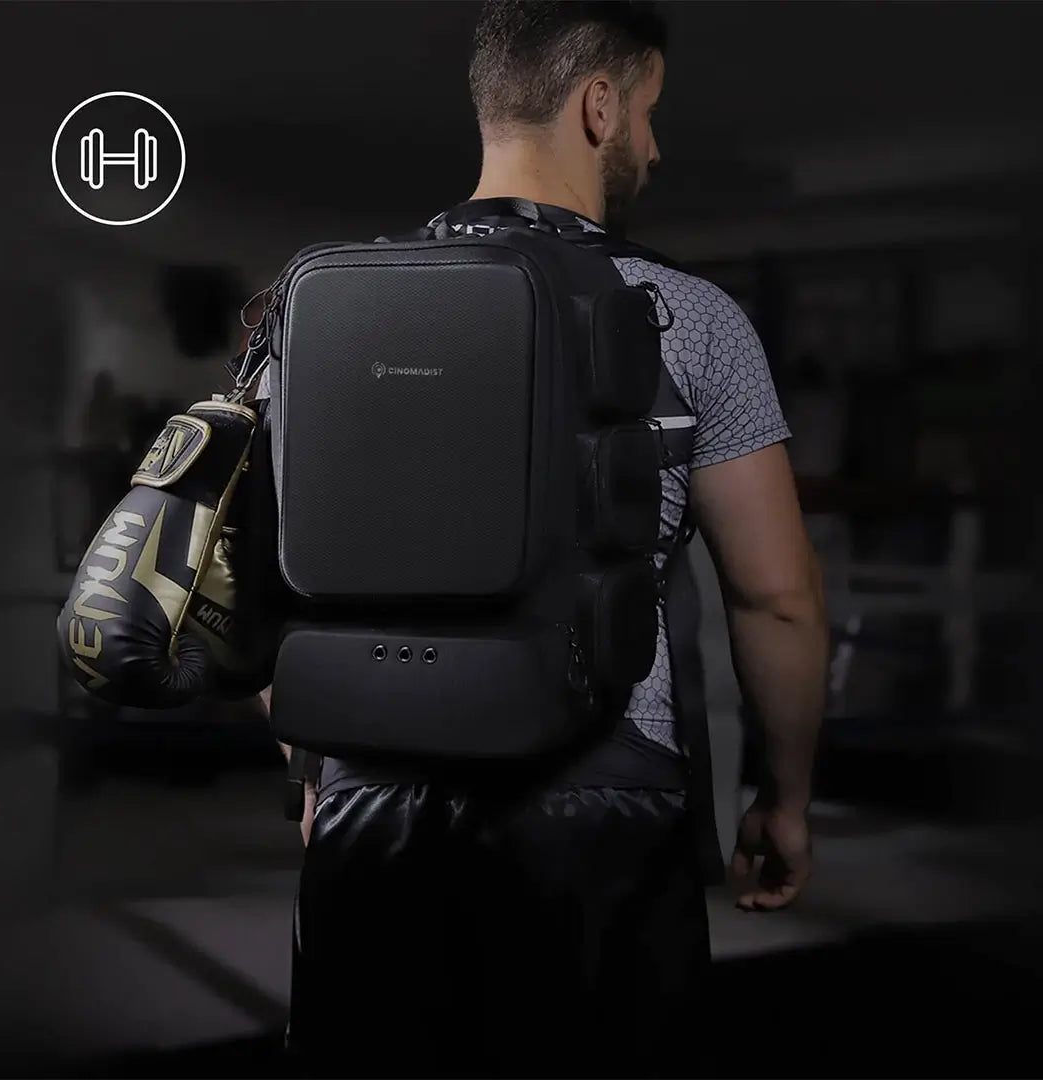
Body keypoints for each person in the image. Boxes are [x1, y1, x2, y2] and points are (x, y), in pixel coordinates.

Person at [256, 3, 829, 1075]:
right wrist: (786, 801)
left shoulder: (317, 305)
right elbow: (778, 599)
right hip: (601, 799)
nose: (654, 144)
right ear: (599, 107)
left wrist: (318, 771)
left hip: (372, 789)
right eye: (649, 113)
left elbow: (266, 573)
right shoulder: (689, 317)